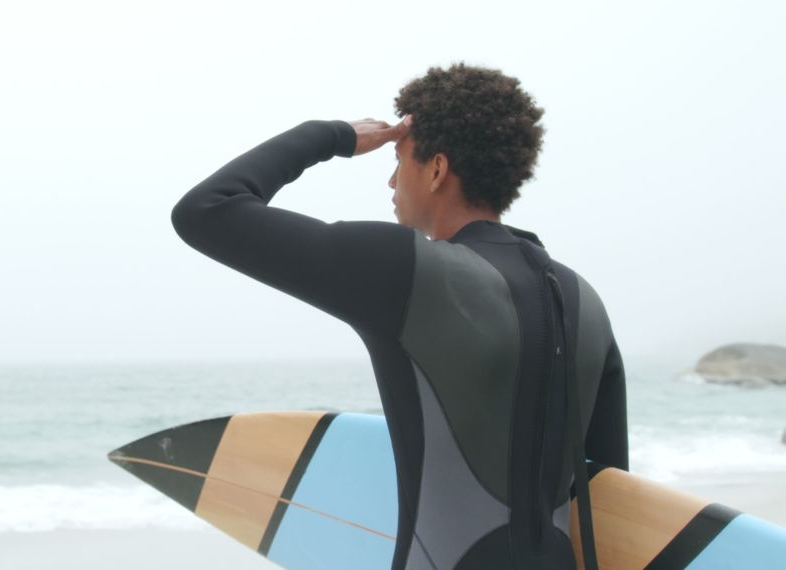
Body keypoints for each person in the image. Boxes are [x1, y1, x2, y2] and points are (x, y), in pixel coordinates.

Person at [171, 62, 627, 570]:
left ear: (435, 169)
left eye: (398, 159)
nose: (390, 180)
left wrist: (334, 137)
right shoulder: (582, 298)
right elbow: (615, 497)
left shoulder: (407, 271)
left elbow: (205, 210)